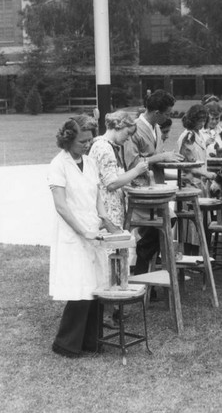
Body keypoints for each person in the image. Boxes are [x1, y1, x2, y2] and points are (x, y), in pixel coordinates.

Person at [48, 115, 118, 358]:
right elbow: (61, 206)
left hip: (93, 231)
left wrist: (105, 219)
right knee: (80, 288)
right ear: (67, 140)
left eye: (89, 140)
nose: (87, 145)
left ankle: (91, 341)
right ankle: (66, 344)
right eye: (82, 141)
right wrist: (82, 231)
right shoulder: (58, 165)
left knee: (95, 286)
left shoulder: (89, 162)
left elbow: (97, 194)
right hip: (73, 233)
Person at [89, 110, 149, 327]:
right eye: (127, 132)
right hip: (107, 211)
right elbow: (111, 183)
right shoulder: (104, 148)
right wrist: (138, 170)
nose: (128, 138)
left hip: (114, 208)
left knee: (114, 258)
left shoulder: (109, 147)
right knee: (107, 260)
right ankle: (105, 313)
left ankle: (112, 309)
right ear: (118, 126)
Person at [124, 89, 184, 275]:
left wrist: (169, 158)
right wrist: (161, 156)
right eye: (166, 113)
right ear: (156, 112)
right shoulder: (134, 129)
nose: (168, 117)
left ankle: (146, 275)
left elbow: (155, 156)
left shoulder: (156, 128)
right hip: (140, 190)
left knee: (163, 226)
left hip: (157, 188)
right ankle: (144, 271)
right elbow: (132, 164)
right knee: (164, 224)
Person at [177, 104, 217, 254]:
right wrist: (206, 174)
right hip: (190, 184)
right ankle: (190, 257)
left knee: (200, 222)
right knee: (190, 226)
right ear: (192, 119)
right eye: (199, 120)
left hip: (200, 185)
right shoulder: (187, 136)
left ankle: (199, 256)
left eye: (203, 120)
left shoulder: (198, 135)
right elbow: (185, 164)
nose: (202, 123)